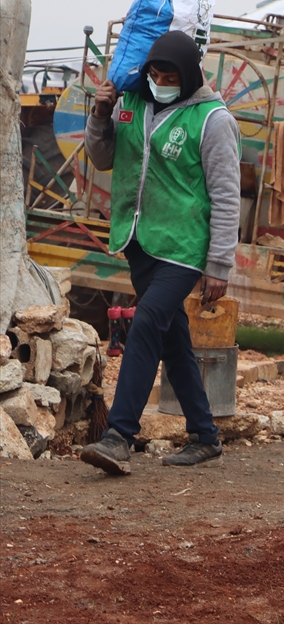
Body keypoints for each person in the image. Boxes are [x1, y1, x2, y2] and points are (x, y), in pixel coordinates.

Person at [78, 31, 241, 475]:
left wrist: (219, 265)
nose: (160, 81)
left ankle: (118, 435)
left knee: (147, 321)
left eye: (170, 76)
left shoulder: (212, 120)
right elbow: (102, 157)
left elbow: (227, 197)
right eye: (155, 73)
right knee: (173, 338)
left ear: (188, 76)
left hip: (185, 247)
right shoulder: (133, 101)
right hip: (139, 240)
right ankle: (205, 436)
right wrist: (100, 114)